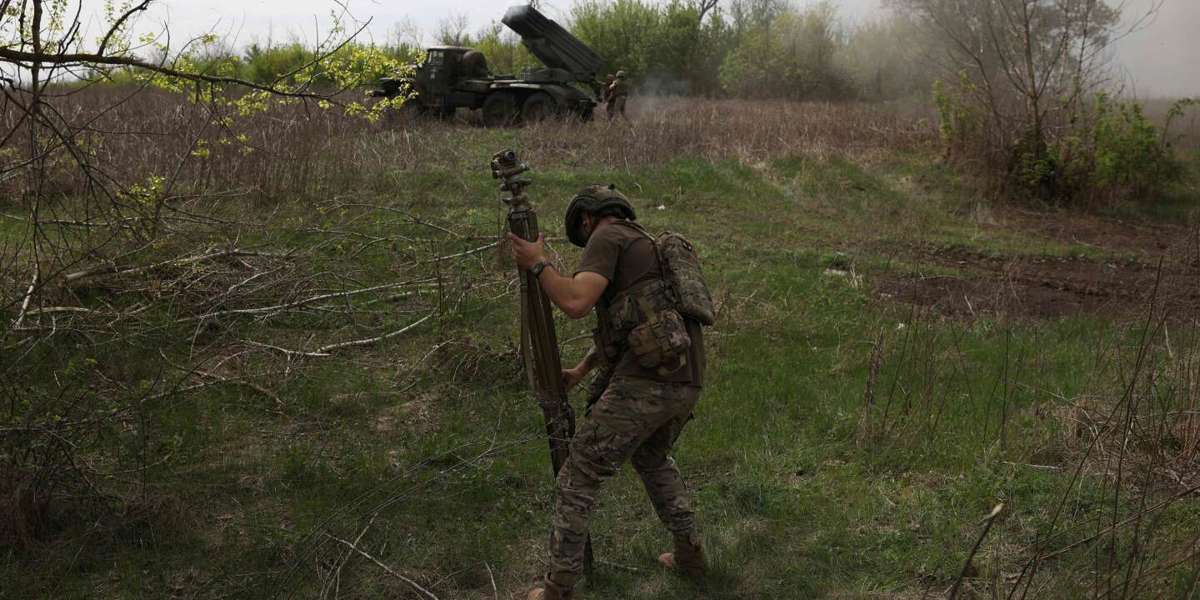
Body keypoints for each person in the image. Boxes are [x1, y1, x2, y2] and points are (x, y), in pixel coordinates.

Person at [508, 185, 708, 600]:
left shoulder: (607, 235)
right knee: (652, 459)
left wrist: (538, 262)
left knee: (578, 475)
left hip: (647, 383)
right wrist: (582, 370)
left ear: (587, 219)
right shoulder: (643, 245)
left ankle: (557, 590)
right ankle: (690, 557)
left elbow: (576, 301)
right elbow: (630, 325)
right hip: (685, 380)